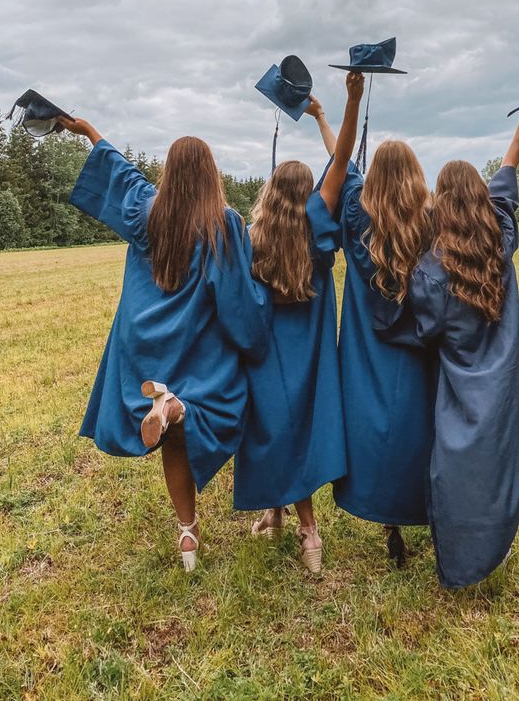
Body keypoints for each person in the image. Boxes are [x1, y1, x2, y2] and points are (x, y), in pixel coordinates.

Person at [373, 110, 519, 588]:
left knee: (452, 473)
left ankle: (461, 565)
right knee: (493, 453)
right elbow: (505, 181)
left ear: (441, 203)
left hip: (461, 381)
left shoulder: (431, 273)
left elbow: (422, 330)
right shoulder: (500, 240)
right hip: (505, 375)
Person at [58, 116, 271, 572]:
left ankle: (188, 533)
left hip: (148, 346)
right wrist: (259, 322)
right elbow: (235, 298)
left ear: (170, 173)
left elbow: (123, 174)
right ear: (211, 173)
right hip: (197, 346)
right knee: (228, 406)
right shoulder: (224, 222)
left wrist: (89, 132)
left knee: (174, 440)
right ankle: (178, 407)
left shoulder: (148, 211)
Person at [234, 73, 364, 574]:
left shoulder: (253, 236)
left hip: (267, 356)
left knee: (270, 430)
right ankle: (286, 520)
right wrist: (340, 108)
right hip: (309, 358)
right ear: (307, 192)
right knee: (297, 434)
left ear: (270, 192)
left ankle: (305, 527)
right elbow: (344, 159)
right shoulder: (315, 219)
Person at [332, 136, 437, 566]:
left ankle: (388, 521)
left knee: (374, 425)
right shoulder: (430, 219)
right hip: (419, 343)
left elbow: (341, 165)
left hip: (369, 345)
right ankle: (424, 506)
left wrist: (328, 118)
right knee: (419, 425)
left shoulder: (359, 215)